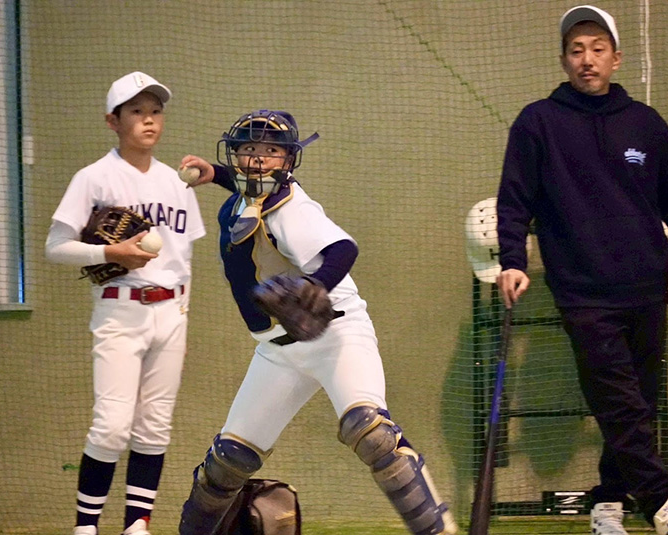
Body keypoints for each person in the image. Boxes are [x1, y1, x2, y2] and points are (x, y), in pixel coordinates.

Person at [175, 109, 457, 535]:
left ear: (288, 161)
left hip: (336, 334)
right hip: (278, 352)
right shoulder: (246, 197)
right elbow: (243, 182)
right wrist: (211, 172)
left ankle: (439, 530)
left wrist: (316, 285)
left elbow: (344, 249)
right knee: (228, 461)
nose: (257, 159)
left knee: (371, 432)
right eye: (248, 149)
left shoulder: (293, 208)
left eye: (270, 151)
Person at [496, 6, 668, 535]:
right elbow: (514, 201)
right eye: (575, 50)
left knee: (634, 404)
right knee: (619, 399)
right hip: (584, 291)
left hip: (645, 286)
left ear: (616, 58)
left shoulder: (646, 125)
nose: (586, 60)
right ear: (564, 60)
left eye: (596, 49)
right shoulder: (538, 122)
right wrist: (513, 262)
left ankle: (608, 502)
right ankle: (664, 507)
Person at [45, 71, 206, 535]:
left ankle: (137, 524)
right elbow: (55, 247)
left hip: (171, 313)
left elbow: (184, 258)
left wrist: (184, 319)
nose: (149, 121)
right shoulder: (94, 177)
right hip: (120, 308)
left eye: (155, 111)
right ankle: (86, 527)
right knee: (112, 426)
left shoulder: (178, 183)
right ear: (112, 121)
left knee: (155, 425)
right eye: (136, 111)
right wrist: (108, 252)